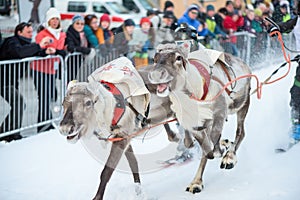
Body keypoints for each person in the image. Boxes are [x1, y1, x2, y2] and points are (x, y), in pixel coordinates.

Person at [0, 22, 53, 141]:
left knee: (18, 103)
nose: (31, 35)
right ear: (19, 32)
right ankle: (10, 134)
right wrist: (39, 45)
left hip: (11, 81)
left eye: (31, 32)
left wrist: (45, 52)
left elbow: (34, 52)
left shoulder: (26, 43)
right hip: (3, 81)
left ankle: (7, 132)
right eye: (28, 32)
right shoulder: (12, 42)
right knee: (19, 101)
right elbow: (19, 52)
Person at [31, 7, 67, 132]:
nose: (55, 21)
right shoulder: (42, 34)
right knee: (44, 97)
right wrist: (45, 51)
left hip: (52, 69)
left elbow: (63, 52)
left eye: (57, 19)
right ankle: (42, 124)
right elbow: (37, 50)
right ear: (48, 20)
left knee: (51, 96)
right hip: (40, 69)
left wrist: (55, 51)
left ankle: (47, 120)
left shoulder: (62, 34)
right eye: (52, 19)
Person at [268, 1, 300, 142]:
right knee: (296, 94)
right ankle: (296, 126)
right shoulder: (297, 20)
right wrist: (276, 28)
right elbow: (286, 26)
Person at [65, 14, 96, 82]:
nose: (80, 26)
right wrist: (85, 50)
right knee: (72, 83)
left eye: (82, 24)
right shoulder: (70, 33)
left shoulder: (83, 33)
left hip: (82, 63)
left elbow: (90, 43)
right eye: (77, 23)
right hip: (72, 64)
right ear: (73, 24)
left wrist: (91, 48)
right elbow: (71, 47)